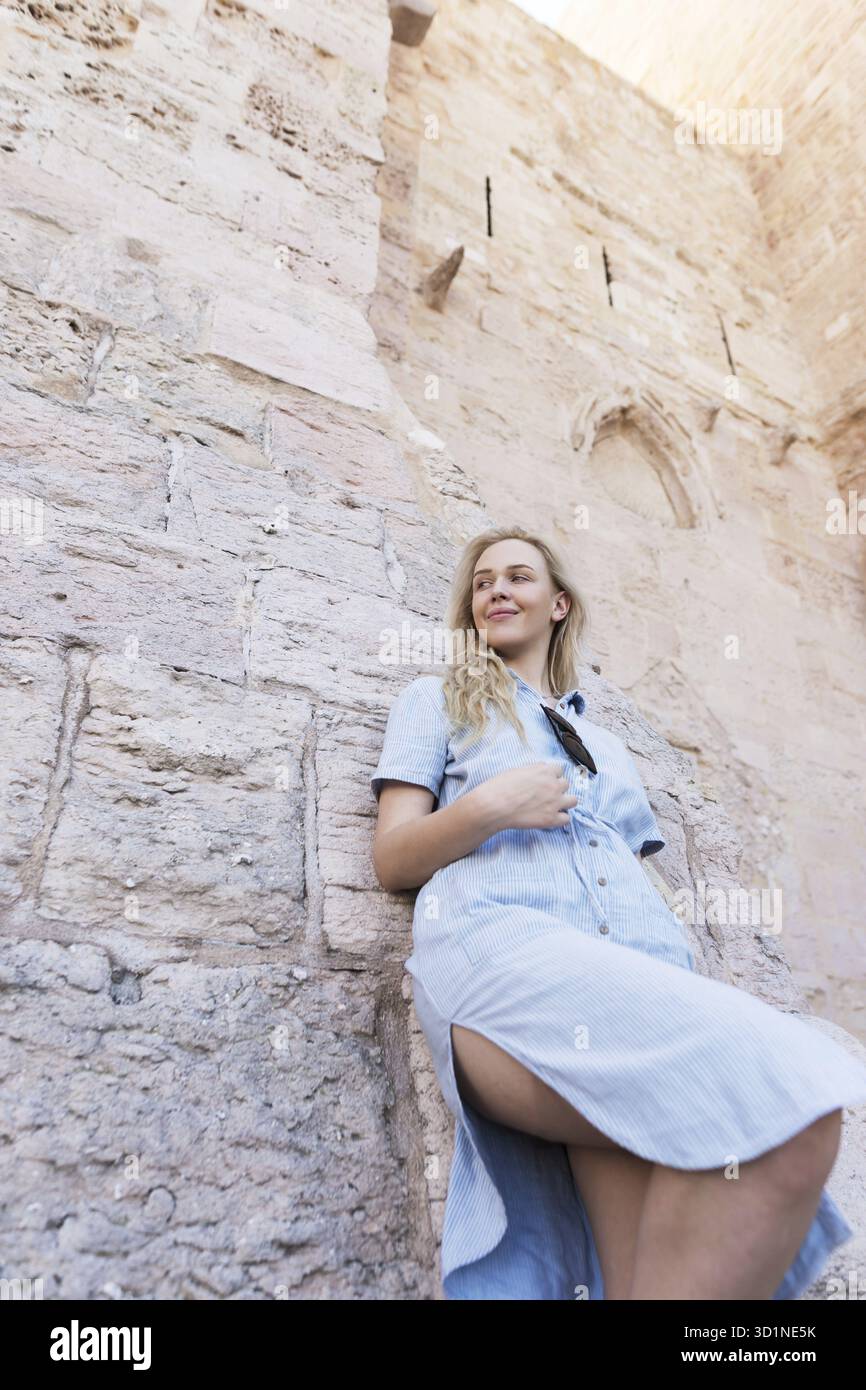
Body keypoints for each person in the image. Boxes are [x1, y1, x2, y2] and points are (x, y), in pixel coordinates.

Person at [370, 526, 866, 1300]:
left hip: (632, 974)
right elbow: (393, 857)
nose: (497, 590)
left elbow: (623, 873)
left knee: (632, 1273)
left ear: (559, 604)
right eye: (483, 582)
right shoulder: (434, 699)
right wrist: (491, 808)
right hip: (506, 947)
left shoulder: (606, 742)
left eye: (519, 577)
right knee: (791, 1109)